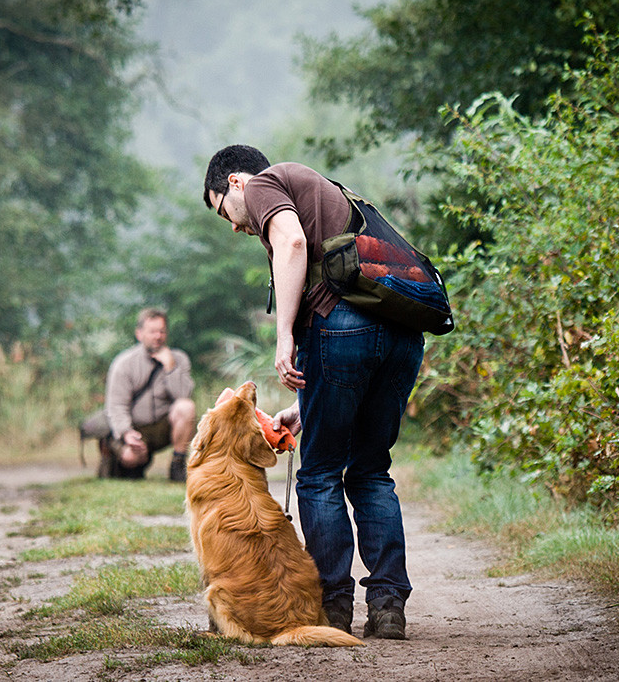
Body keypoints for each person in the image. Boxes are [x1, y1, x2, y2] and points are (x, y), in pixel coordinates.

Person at [202, 145, 424, 640]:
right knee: (370, 470)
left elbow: (294, 245)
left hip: (342, 328)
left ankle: (334, 609)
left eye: (224, 212)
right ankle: (388, 608)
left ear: (234, 182)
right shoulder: (323, 189)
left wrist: (284, 336)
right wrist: (308, 405)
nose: (236, 227)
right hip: (401, 334)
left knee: (320, 473)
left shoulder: (261, 184)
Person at [104, 307, 196, 481]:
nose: (158, 336)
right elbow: (116, 406)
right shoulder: (124, 363)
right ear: (139, 334)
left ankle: (178, 464)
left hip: (164, 425)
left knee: (186, 407)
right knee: (131, 458)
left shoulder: (179, 359)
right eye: (152, 331)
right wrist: (126, 432)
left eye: (162, 331)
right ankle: (132, 463)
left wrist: (170, 368)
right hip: (136, 428)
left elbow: (183, 395)